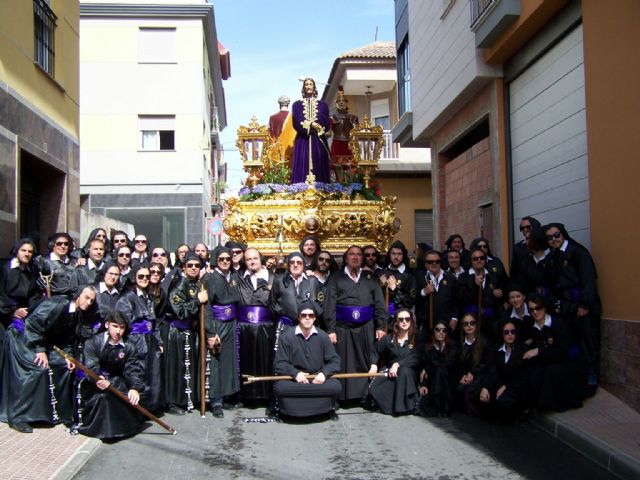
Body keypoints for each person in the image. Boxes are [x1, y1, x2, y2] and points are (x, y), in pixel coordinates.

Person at [0, 285, 96, 433]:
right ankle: (18, 416)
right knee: (38, 370)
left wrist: (67, 356)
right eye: (86, 298)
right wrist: (39, 350)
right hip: (23, 338)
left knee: (64, 367)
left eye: (91, 300)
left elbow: (66, 340)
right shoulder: (57, 304)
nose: (88, 303)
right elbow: (32, 325)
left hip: (43, 343)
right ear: (78, 295)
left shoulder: (77, 314)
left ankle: (61, 414)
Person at [324, 245, 387, 402]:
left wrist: (381, 326)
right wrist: (331, 329)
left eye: (359, 254)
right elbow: (329, 305)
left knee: (366, 360)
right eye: (352, 254)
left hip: (366, 326)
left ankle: (365, 396)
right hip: (342, 328)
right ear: (346, 258)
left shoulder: (370, 278)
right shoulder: (336, 278)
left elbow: (379, 303)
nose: (355, 257)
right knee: (344, 362)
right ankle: (342, 396)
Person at [544, 222, 601, 391]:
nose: (554, 239)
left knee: (587, 341)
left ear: (563, 234)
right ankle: (577, 375)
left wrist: (584, 303)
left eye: (557, 235)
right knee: (572, 341)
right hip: (567, 306)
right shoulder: (553, 257)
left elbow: (589, 279)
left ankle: (591, 375)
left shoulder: (578, 252)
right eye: (550, 237)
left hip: (583, 306)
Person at [77, 311, 148, 439]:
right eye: (115, 326)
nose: (118, 331)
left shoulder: (129, 346)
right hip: (95, 383)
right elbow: (91, 367)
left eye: (122, 327)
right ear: (107, 325)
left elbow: (132, 370)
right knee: (103, 398)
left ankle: (125, 428)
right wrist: (99, 377)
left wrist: (134, 387)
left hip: (119, 381)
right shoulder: (92, 342)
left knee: (132, 396)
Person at [273, 304, 341, 420]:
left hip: (317, 380)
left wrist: (323, 373)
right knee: (280, 387)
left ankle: (325, 409)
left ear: (314, 318)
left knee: (335, 386)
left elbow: (335, 361)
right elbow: (279, 363)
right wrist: (295, 374)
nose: (307, 318)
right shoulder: (287, 337)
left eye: (311, 315)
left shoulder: (323, 336)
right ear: (299, 317)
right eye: (304, 315)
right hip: (295, 381)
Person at [521, 293, 587, 412]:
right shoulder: (532, 327)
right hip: (545, 361)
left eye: (538, 308)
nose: (535, 312)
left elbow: (562, 350)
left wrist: (539, 350)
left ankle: (552, 404)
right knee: (532, 371)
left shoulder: (558, 324)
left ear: (545, 308)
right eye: (531, 309)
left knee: (552, 371)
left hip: (563, 362)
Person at [115, 264, 164, 412]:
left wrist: (159, 340)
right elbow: (122, 321)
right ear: (134, 277)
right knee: (138, 372)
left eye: (147, 277)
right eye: (141, 276)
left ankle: (151, 406)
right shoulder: (127, 298)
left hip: (150, 340)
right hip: (136, 340)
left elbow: (153, 322)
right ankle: (138, 408)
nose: (144, 279)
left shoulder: (148, 297)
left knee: (152, 373)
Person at [202, 246, 241, 418]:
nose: (225, 261)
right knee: (216, 361)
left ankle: (226, 395)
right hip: (217, 323)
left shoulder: (233, 276)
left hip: (231, 322)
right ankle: (215, 400)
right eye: (221, 259)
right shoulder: (210, 278)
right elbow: (207, 307)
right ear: (215, 260)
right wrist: (210, 332)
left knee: (228, 360)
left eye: (228, 258)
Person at [167, 252, 208, 415]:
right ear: (183, 267)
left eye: (197, 265)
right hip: (178, 332)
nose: (193, 268)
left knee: (190, 366)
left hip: (191, 332)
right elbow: (181, 312)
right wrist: (198, 300)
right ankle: (174, 402)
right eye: (189, 265)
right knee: (177, 368)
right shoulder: (178, 285)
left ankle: (189, 399)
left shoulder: (196, 284)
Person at [237, 248, 276, 405]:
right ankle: (246, 396)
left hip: (266, 327)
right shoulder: (239, 278)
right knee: (245, 361)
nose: (252, 261)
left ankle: (265, 395)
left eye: (255, 258)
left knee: (265, 360)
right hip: (244, 328)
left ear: (261, 259)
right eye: (248, 259)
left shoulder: (273, 278)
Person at [367, 309, 420, 415]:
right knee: (374, 388)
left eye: (407, 319)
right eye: (401, 319)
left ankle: (406, 406)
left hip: (409, 372)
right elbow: (375, 350)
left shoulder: (416, 338)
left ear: (411, 321)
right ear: (396, 322)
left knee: (404, 371)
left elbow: (416, 358)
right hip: (390, 371)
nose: (404, 322)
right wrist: (373, 365)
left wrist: (397, 364)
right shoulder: (389, 338)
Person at [479, 320, 528, 421]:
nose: (510, 335)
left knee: (502, 403)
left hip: (515, 388)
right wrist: (485, 387)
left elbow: (523, 377)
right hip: (499, 385)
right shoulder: (498, 350)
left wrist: (506, 386)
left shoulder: (522, 350)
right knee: (483, 397)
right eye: (506, 332)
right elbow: (492, 371)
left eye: (512, 332)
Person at [270, 251, 324, 342]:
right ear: (288, 265)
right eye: (292, 262)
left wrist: (309, 320)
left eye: (299, 262)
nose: (295, 265)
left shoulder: (312, 281)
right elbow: (272, 303)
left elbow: (320, 303)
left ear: (303, 265)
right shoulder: (279, 281)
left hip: (308, 328)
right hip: (286, 327)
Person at [291, 77, 330, 183]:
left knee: (319, 162)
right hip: (303, 140)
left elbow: (326, 121)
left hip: (318, 140)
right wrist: (310, 124)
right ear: (303, 88)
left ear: (314, 87)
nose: (308, 86)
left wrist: (319, 127)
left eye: (310, 84)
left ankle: (322, 189)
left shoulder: (323, 105)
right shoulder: (297, 105)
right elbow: (296, 121)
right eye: (306, 84)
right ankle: (300, 189)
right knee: (302, 163)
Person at [415, 321, 457, 417]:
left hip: (448, 378)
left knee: (441, 371)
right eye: (438, 330)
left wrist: (428, 367)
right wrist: (424, 379)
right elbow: (424, 364)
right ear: (433, 331)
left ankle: (441, 405)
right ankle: (441, 406)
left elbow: (448, 363)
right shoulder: (428, 347)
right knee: (438, 371)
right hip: (433, 379)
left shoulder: (452, 346)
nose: (441, 332)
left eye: (444, 330)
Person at [415, 250, 459, 335]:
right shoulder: (419, 277)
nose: (434, 263)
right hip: (427, 323)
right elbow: (413, 299)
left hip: (446, 323)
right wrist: (424, 292)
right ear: (425, 264)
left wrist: (455, 318)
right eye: (430, 262)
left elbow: (456, 301)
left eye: (437, 261)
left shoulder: (450, 277)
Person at [455, 313, 491, 416]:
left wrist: (473, 373)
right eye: (466, 324)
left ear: (476, 325)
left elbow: (487, 363)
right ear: (462, 327)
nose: (469, 326)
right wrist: (462, 375)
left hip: (480, 376)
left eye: (472, 323)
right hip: (465, 377)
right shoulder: (460, 344)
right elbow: (457, 363)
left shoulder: (485, 342)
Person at [379, 240, 417, 326]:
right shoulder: (382, 273)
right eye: (393, 254)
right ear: (389, 255)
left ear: (403, 256)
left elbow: (410, 301)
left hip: (402, 318)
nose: (396, 257)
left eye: (399, 254)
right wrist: (380, 286)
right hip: (384, 318)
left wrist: (395, 289)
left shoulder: (410, 275)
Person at [329, 86, 359, 182]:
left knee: (350, 167)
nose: (341, 103)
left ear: (346, 103)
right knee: (336, 167)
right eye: (339, 101)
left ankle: (351, 187)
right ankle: (338, 185)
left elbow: (357, 132)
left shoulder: (353, 117)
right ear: (336, 103)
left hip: (349, 145)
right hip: (337, 143)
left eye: (343, 101)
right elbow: (329, 133)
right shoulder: (332, 117)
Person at [34, 232, 77, 297]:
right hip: (53, 299)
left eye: (66, 244)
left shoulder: (75, 261)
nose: (63, 246)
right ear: (53, 245)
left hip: (72, 298)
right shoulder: (43, 261)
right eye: (59, 244)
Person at [510, 216, 541, 281]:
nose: (525, 229)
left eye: (528, 227)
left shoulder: (544, 244)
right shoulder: (517, 248)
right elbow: (514, 272)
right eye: (522, 228)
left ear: (534, 226)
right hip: (523, 287)